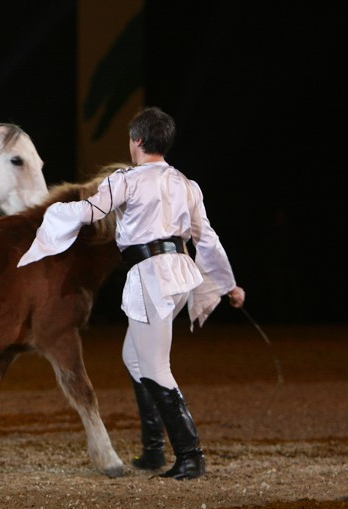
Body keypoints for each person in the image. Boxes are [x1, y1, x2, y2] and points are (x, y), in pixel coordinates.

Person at [18, 106, 245, 480]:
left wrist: (54, 215)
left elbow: (92, 212)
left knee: (155, 366)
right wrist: (228, 283)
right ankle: (154, 449)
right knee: (134, 358)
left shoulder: (127, 180)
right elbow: (207, 239)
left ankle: (190, 455)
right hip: (179, 278)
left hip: (152, 277)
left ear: (136, 141)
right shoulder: (187, 184)